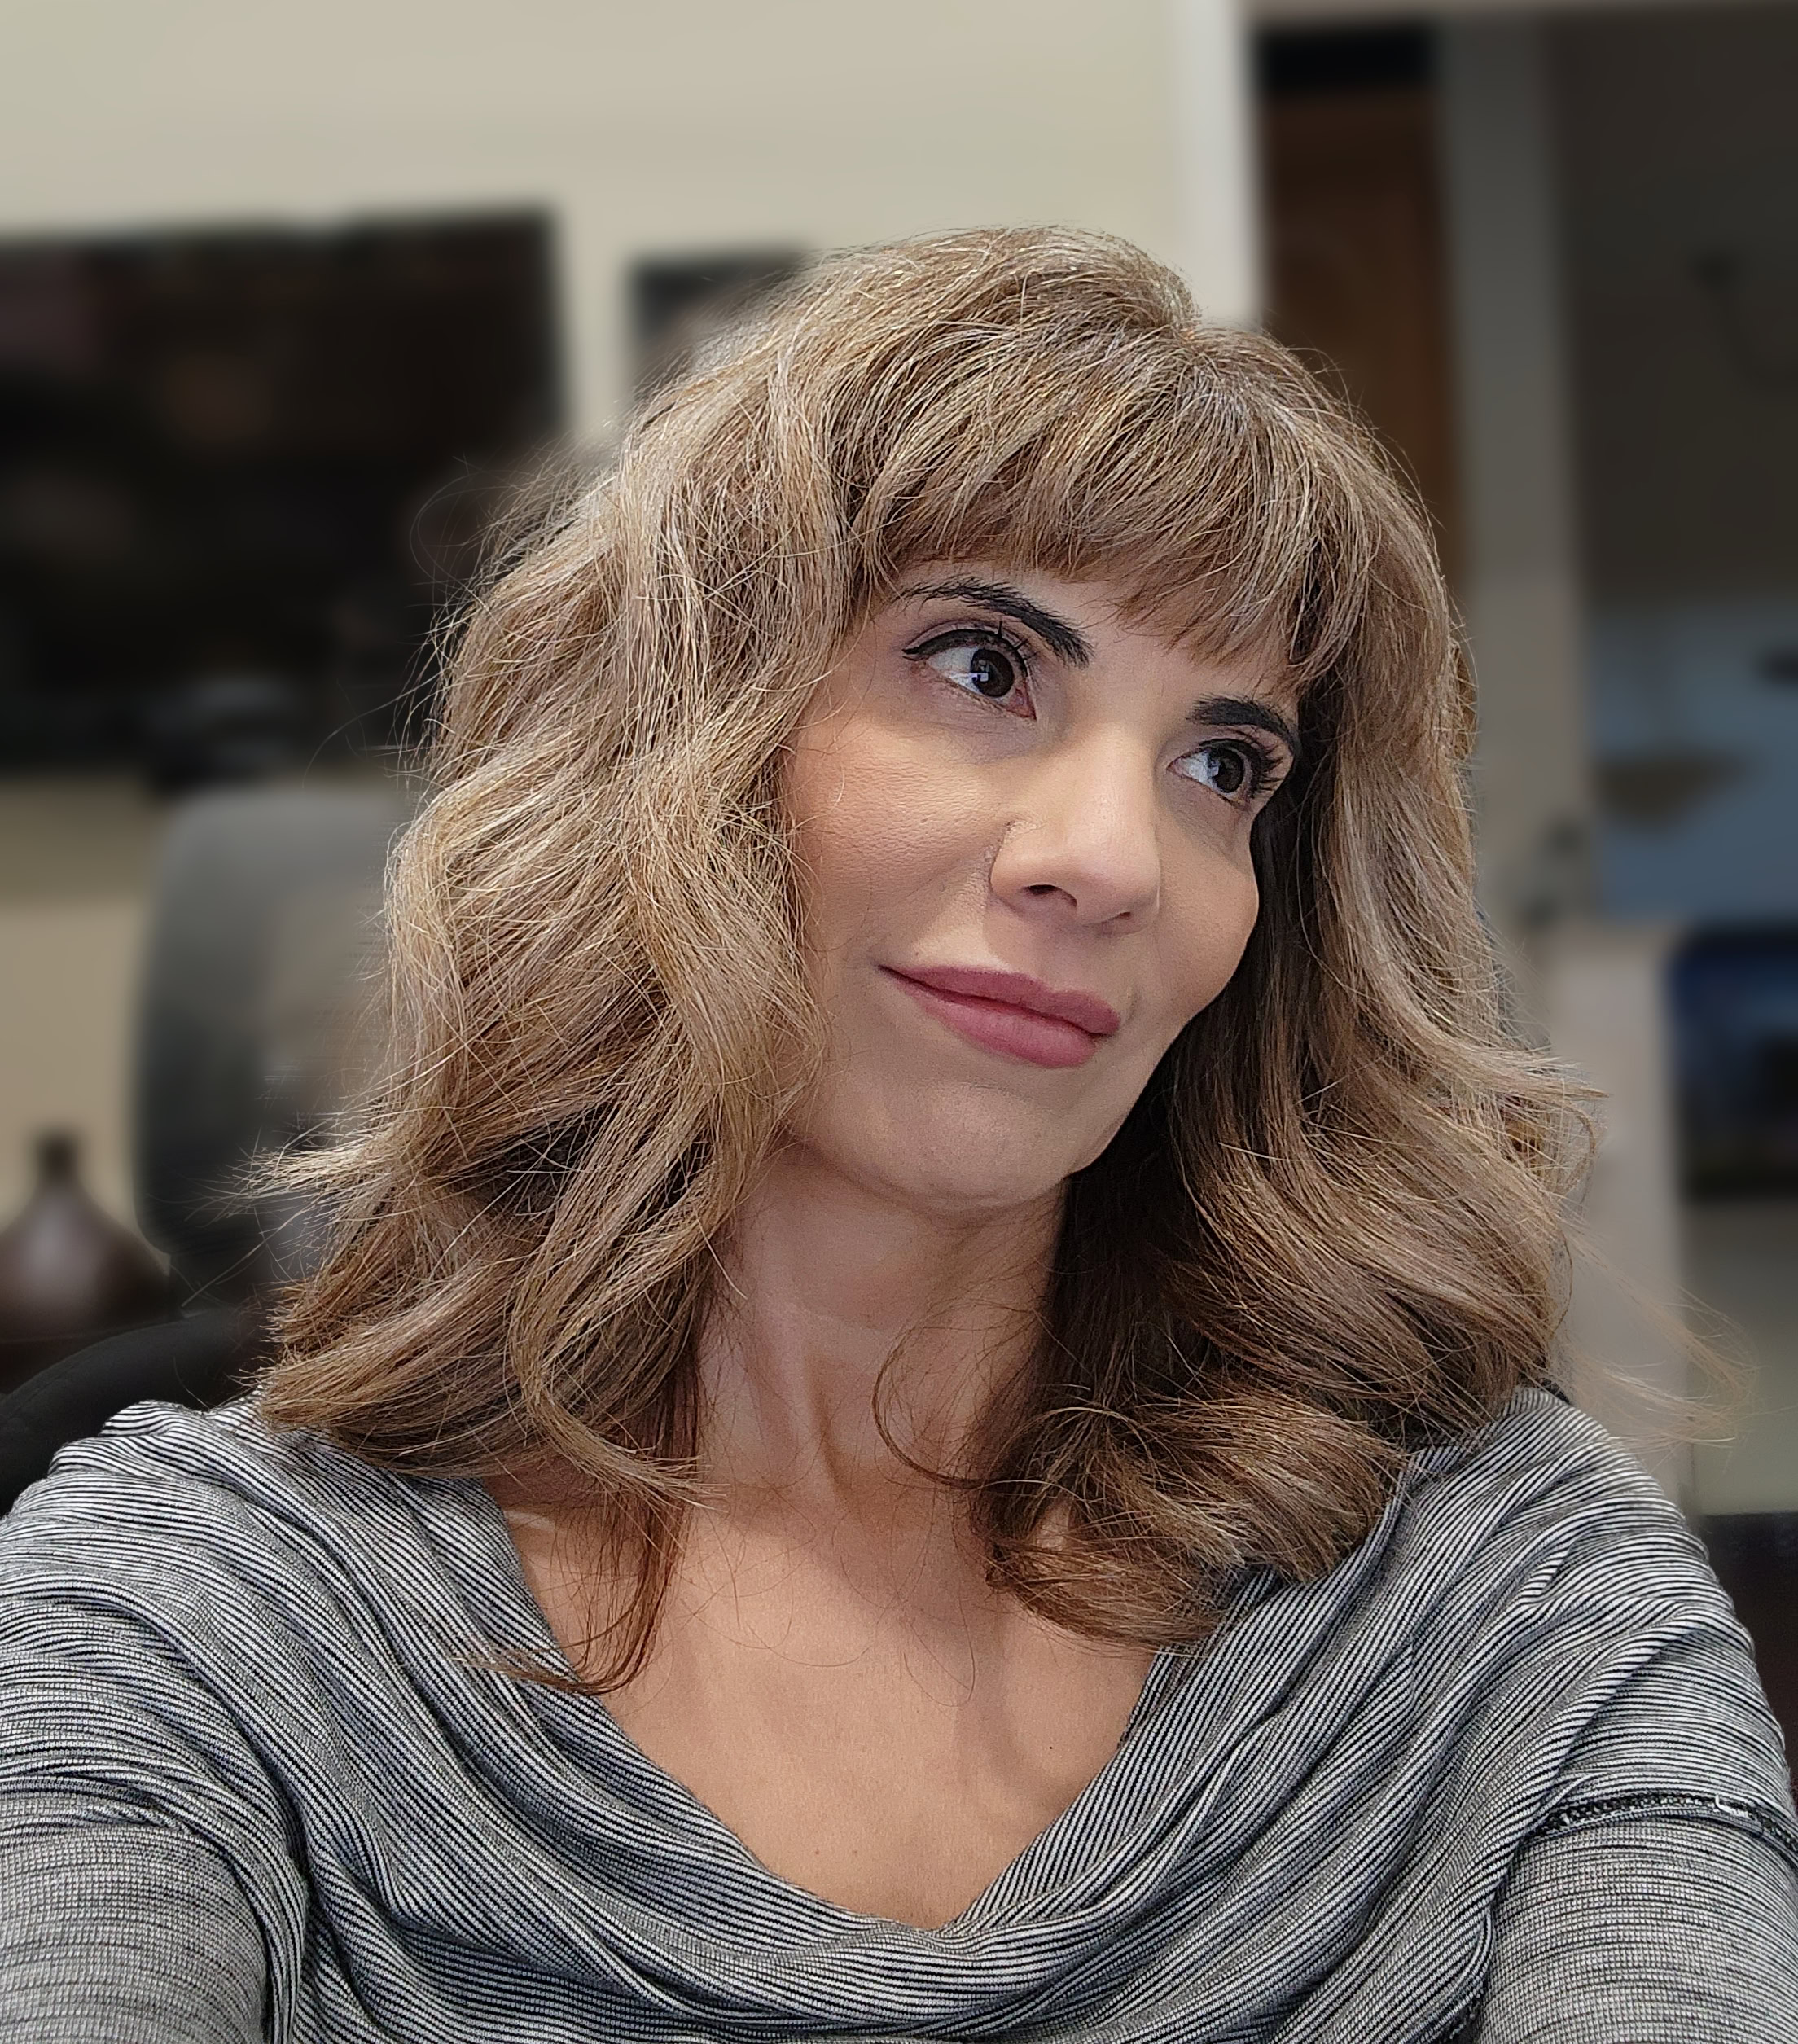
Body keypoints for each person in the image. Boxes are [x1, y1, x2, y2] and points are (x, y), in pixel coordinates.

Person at [2, 226, 1794, 2043]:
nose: (1111, 859)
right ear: (674, 741)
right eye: (984, 665)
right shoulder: (191, 1625)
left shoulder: (1510, 1599)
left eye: (1223, 763)